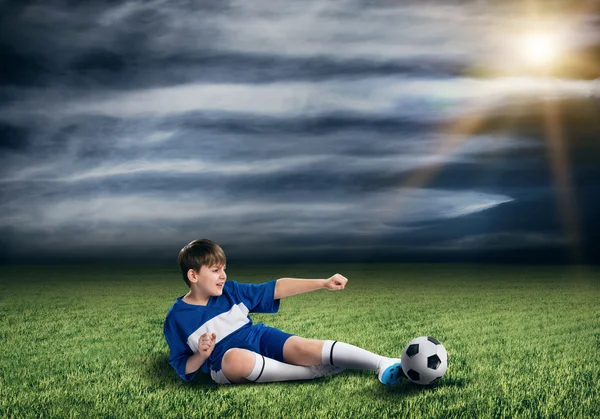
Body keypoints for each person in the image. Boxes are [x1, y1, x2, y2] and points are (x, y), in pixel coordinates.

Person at [163, 239, 406, 385]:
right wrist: (202, 356)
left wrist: (322, 282)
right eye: (215, 270)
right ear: (193, 275)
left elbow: (275, 287)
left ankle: (382, 363)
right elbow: (183, 366)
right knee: (235, 359)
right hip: (224, 362)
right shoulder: (177, 319)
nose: (223, 275)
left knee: (304, 347)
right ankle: (305, 374)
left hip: (258, 337)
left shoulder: (232, 291)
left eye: (224, 268)